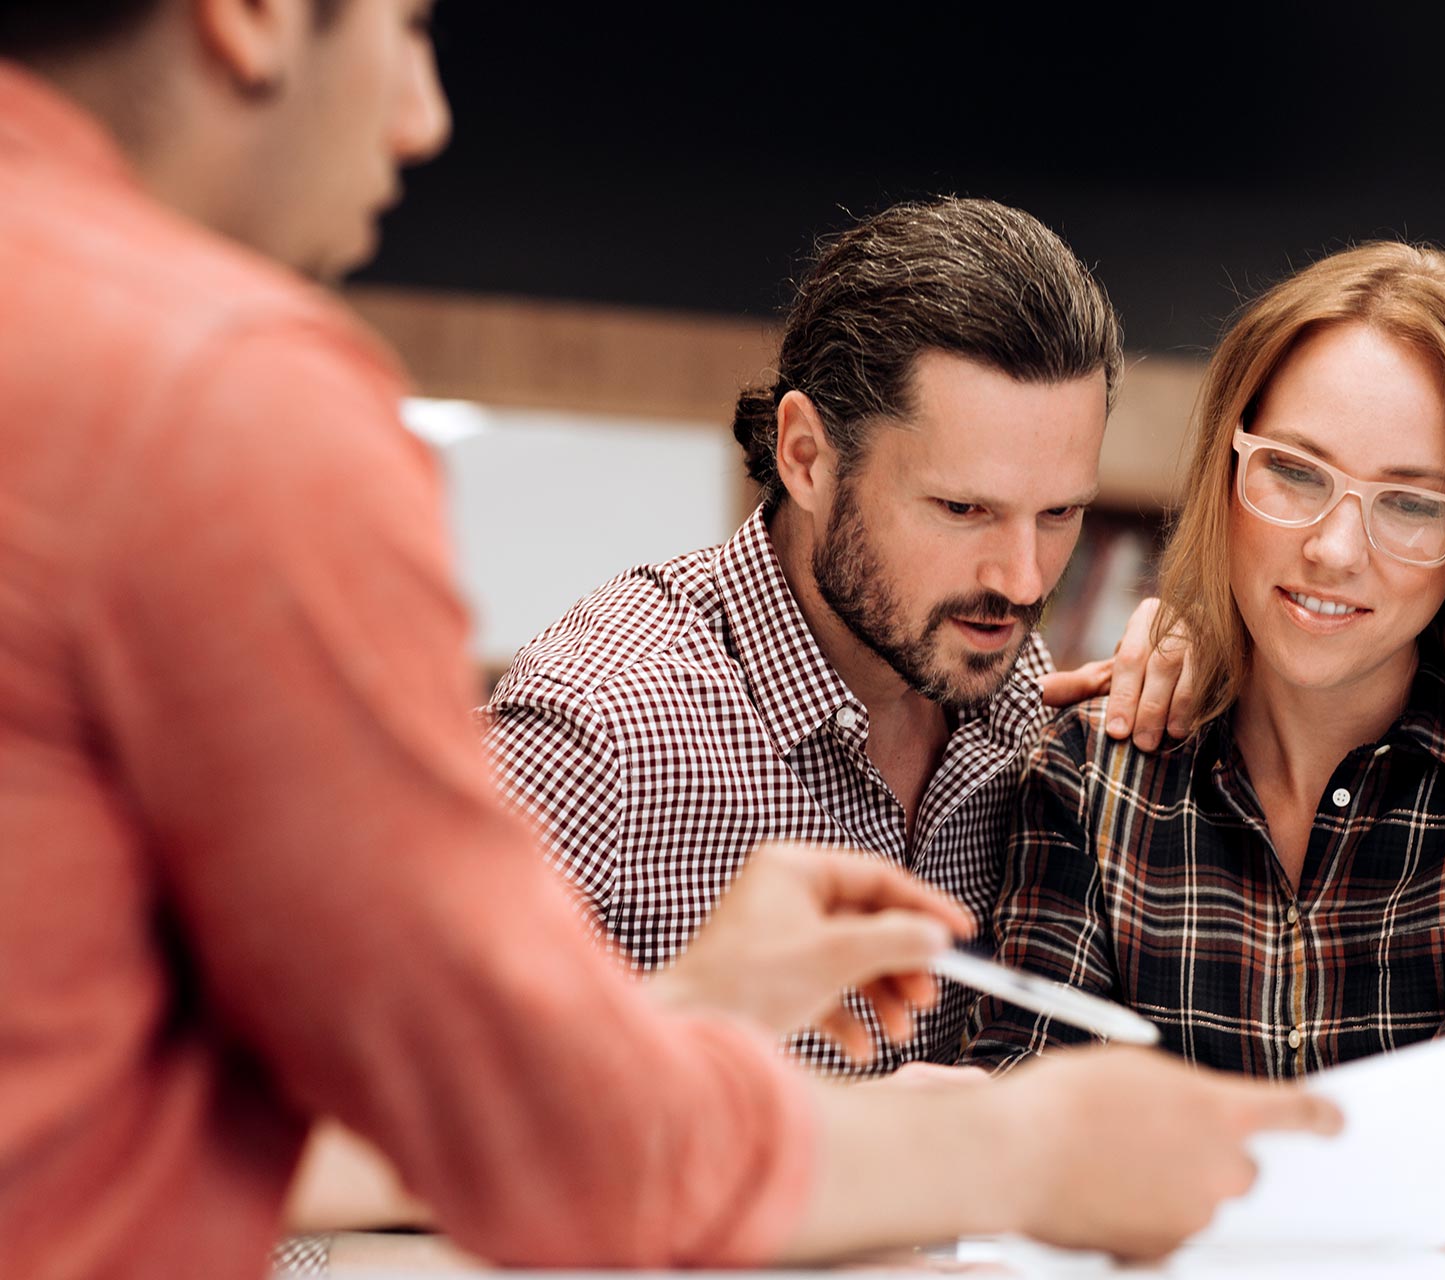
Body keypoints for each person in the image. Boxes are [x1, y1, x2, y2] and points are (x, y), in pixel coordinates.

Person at [0, 3, 1341, 1277]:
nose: (422, 118)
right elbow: (491, 1122)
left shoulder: (1050, 716)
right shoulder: (227, 397)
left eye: (1060, 517)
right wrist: (1016, 1144)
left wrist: (1218, 661)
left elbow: (268, 1112)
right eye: (405, 25)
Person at [962, 242, 1445, 1234]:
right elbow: (1028, 1132)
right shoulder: (1092, 773)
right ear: (1230, 467)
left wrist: (1148, 1164)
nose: (1332, 547)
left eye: (1410, 503)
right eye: (1294, 472)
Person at [482, 196, 1192, 1076]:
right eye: (962, 508)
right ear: (807, 457)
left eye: (1058, 514)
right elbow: (374, 1115)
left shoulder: (1016, 694)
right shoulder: (599, 724)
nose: (1024, 580)